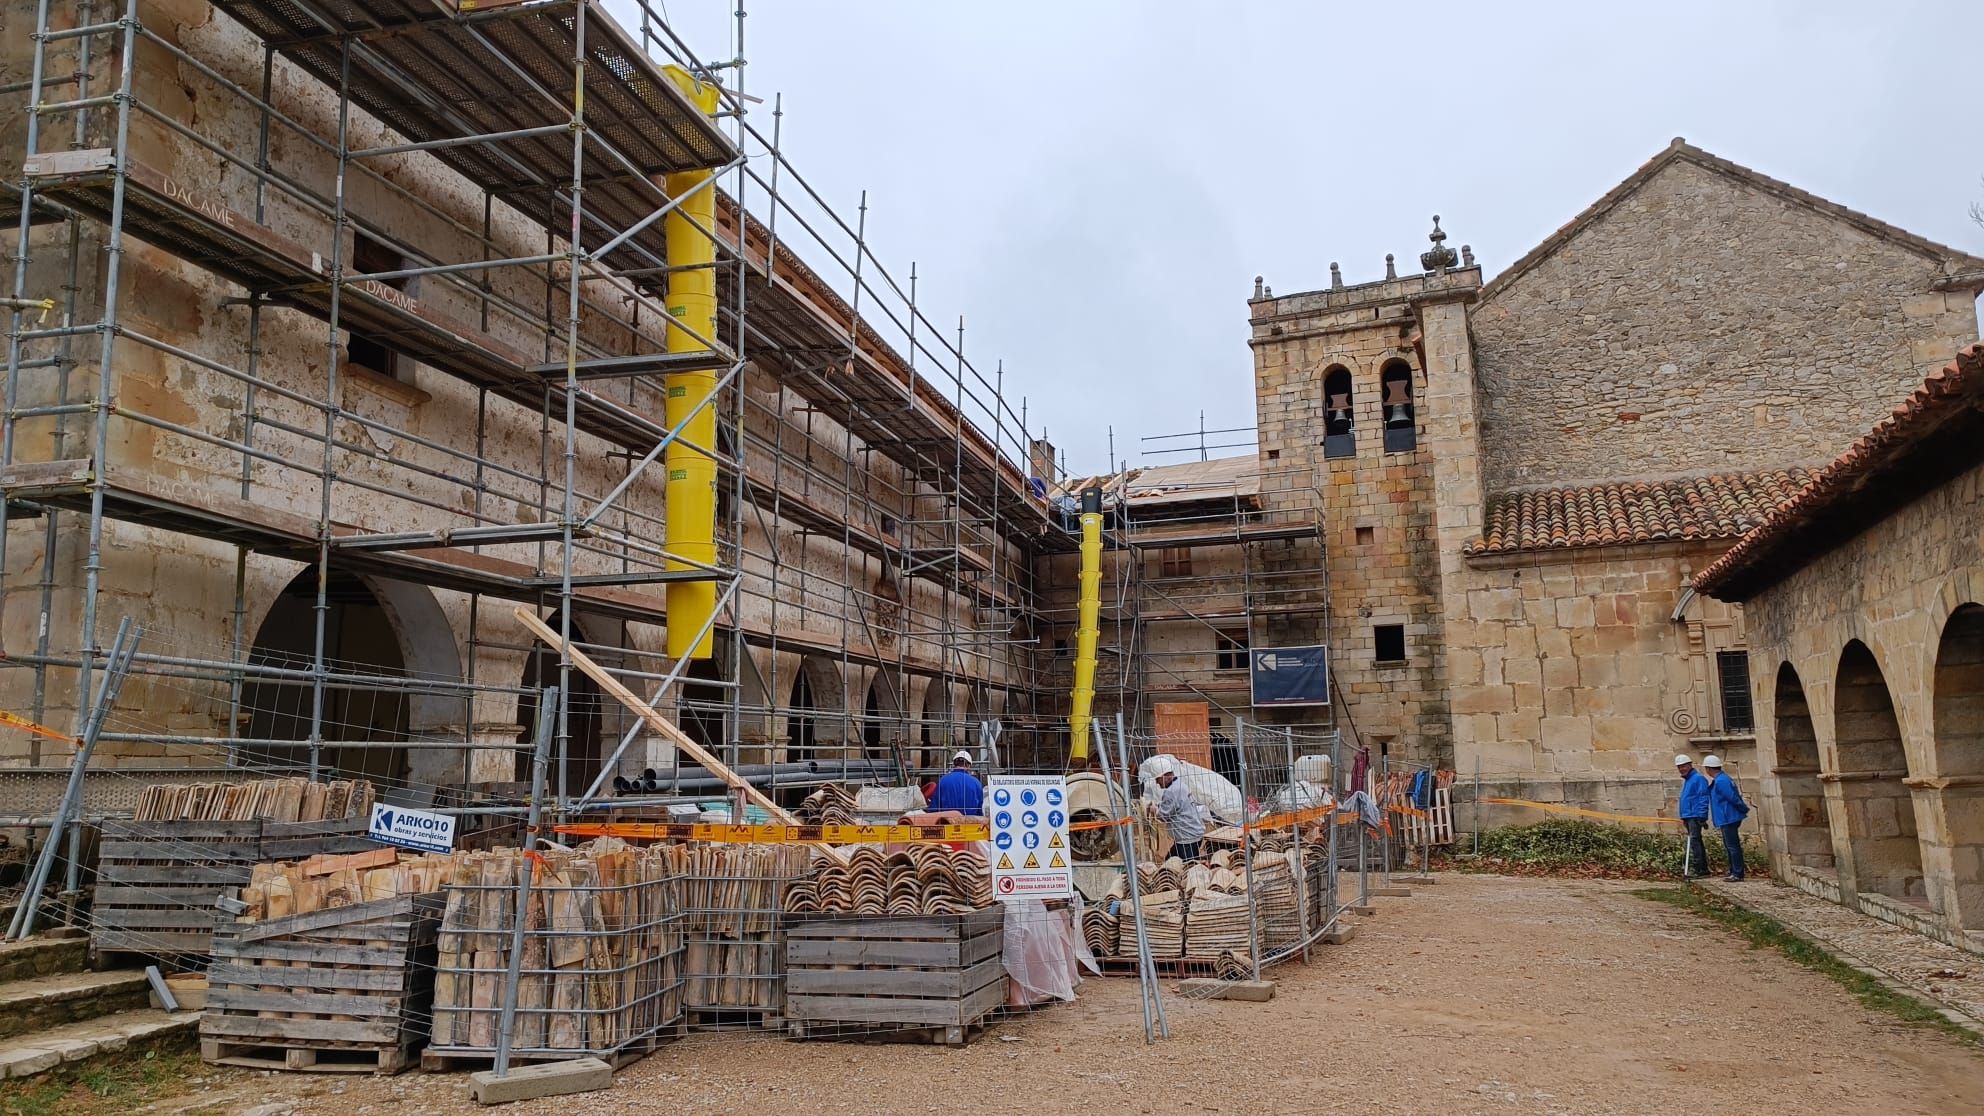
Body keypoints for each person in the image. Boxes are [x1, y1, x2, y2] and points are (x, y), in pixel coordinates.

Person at [1703, 754, 1749, 881]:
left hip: (1728, 816)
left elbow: (1732, 798)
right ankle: (1734, 870)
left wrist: (1742, 808)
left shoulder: (1721, 781)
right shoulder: (1722, 779)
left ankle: (1737, 873)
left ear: (1708, 769)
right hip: (1727, 816)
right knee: (1730, 846)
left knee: (1732, 846)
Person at [1153, 768, 1206, 862]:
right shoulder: (1180, 784)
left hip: (1186, 838)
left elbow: (1163, 816)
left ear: (1167, 776)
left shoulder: (1171, 791)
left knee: (1188, 866)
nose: (1157, 782)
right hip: (1193, 833)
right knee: (1170, 859)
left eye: (1158, 779)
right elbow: (1174, 806)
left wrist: (1154, 810)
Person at [1675, 753, 1711, 878]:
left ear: (1690, 765)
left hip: (1695, 816)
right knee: (1696, 841)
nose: (1681, 769)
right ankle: (1702, 868)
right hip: (1688, 816)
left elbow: (1703, 797)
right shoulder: (1688, 780)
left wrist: (1702, 815)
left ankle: (1699, 869)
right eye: (1679, 767)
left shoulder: (1698, 779)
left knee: (1695, 842)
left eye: (1683, 766)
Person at [930, 750, 984, 816]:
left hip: (947, 822)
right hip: (970, 823)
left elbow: (934, 808)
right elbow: (980, 810)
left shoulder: (943, 780)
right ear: (969, 765)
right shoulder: (976, 783)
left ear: (954, 764)